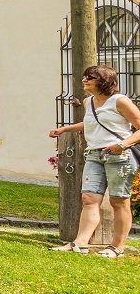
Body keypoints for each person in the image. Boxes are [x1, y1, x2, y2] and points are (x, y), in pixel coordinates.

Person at [49, 64, 140, 256]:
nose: (85, 80)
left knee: (119, 201)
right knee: (89, 198)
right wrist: (65, 129)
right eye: (84, 77)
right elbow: (91, 122)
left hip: (119, 156)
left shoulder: (119, 101)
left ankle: (117, 247)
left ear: (104, 81)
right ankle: (80, 243)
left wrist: (122, 145)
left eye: (90, 77)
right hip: (94, 155)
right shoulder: (88, 102)